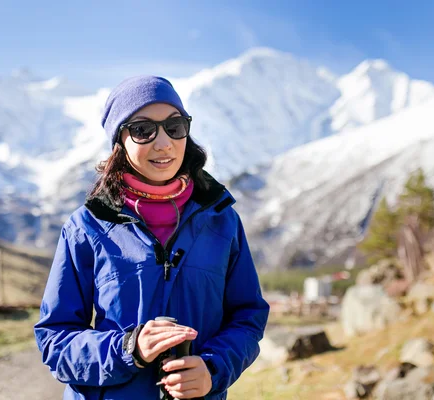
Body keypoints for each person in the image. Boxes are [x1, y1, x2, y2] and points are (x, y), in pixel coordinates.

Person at [34, 75, 269, 400]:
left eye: (174, 126)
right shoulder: (87, 227)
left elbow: (248, 316)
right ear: (120, 141)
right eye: (143, 130)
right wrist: (127, 348)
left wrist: (213, 369)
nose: (164, 143)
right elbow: (55, 340)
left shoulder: (222, 221)